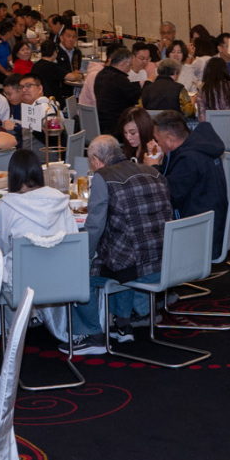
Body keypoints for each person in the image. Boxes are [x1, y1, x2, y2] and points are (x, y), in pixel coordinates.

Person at [75, 135, 173, 353]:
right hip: (166, 261)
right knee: (120, 249)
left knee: (80, 270)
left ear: (96, 160)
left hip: (136, 269)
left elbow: (94, 227)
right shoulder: (152, 171)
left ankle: (93, 335)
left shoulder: (103, 177)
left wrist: (82, 255)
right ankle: (122, 325)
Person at [0, 149, 78, 282]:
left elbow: (2, 247)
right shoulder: (59, 199)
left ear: (13, 176)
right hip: (60, 280)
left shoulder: (6, 205)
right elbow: (73, 240)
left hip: (21, 284)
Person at [152, 111, 229, 256]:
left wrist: (153, 168)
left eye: (157, 140)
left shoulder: (188, 159)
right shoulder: (200, 145)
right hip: (213, 226)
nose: (158, 144)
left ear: (170, 139)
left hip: (199, 238)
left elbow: (169, 195)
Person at [93, 46, 141, 138]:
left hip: (102, 124)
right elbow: (136, 97)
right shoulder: (119, 78)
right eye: (130, 66)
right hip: (116, 127)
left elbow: (122, 89)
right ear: (124, 64)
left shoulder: (101, 74)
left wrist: (139, 84)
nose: (129, 69)